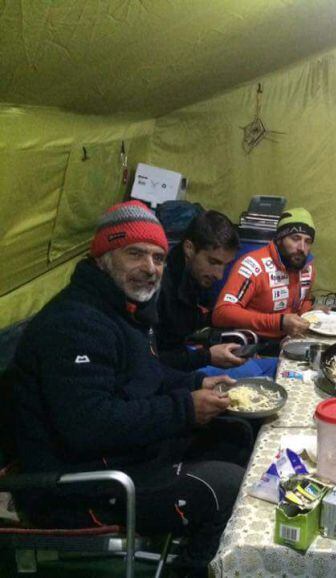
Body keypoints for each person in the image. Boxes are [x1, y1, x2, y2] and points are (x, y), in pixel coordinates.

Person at [9, 201, 247, 576]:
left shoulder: (123, 310)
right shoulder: (74, 324)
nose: (149, 269)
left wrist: (198, 382)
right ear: (103, 256)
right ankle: (190, 570)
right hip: (81, 485)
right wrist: (185, 409)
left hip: (124, 454)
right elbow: (87, 426)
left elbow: (149, 374)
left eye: (157, 257)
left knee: (235, 433)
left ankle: (200, 538)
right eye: (134, 254)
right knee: (229, 487)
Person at [156, 210, 245, 371]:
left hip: (186, 357)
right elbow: (150, 361)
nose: (219, 275)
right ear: (189, 248)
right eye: (213, 262)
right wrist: (207, 357)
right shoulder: (158, 287)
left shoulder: (192, 275)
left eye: (225, 265)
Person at [212, 208, 316, 342]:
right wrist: (279, 322)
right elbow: (222, 313)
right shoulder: (253, 265)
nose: (302, 247)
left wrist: (310, 315)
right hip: (254, 344)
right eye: (295, 238)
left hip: (290, 340)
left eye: (307, 241)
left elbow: (304, 300)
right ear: (279, 239)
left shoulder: (308, 268)